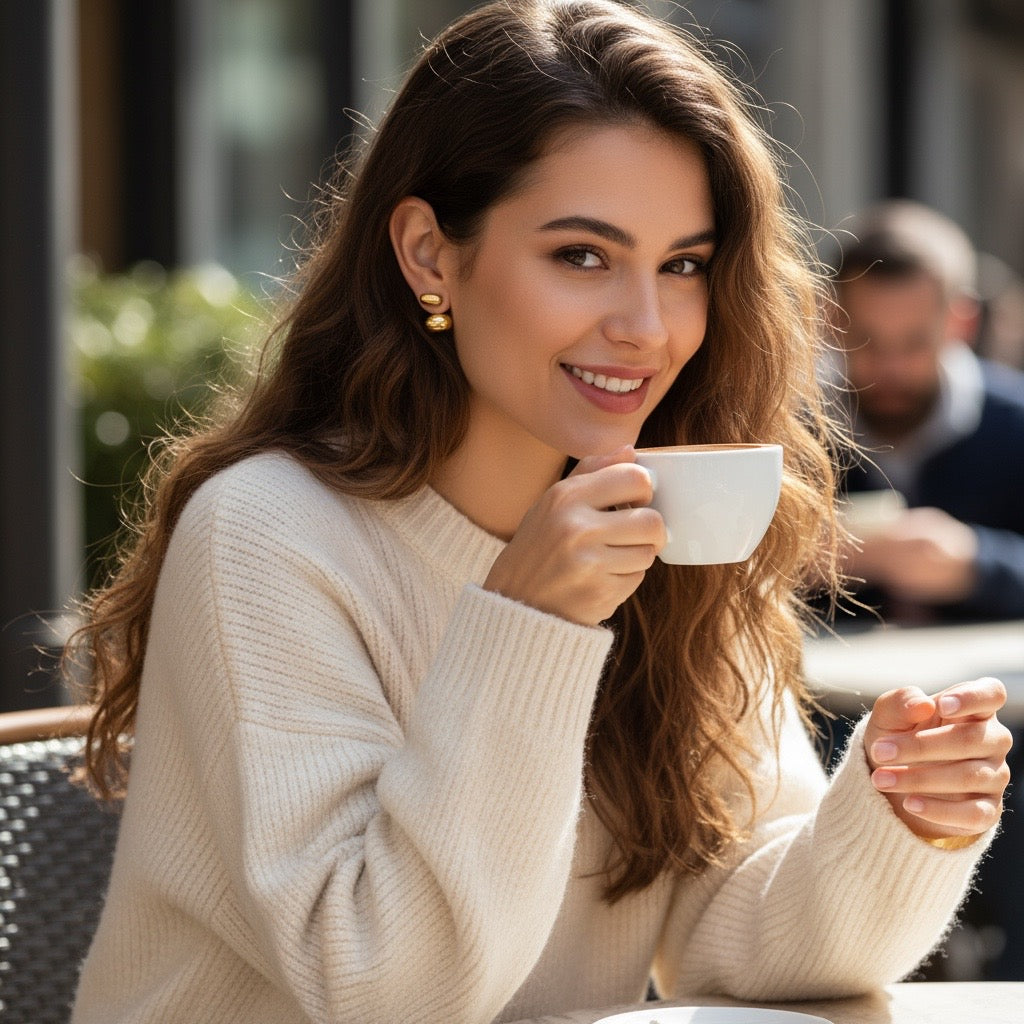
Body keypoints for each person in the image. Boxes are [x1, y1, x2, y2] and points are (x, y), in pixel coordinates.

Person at [69, 4, 1011, 1023]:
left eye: (682, 265)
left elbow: (729, 946)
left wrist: (891, 816)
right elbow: (386, 989)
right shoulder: (267, 534)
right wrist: (526, 626)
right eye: (582, 255)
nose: (645, 327)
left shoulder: (669, 518)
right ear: (430, 254)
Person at [831, 199, 1024, 624]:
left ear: (961, 324)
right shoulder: (791, 430)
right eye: (868, 340)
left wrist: (976, 564)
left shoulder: (1015, 423)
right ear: (832, 321)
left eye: (915, 342)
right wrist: (805, 557)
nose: (890, 369)